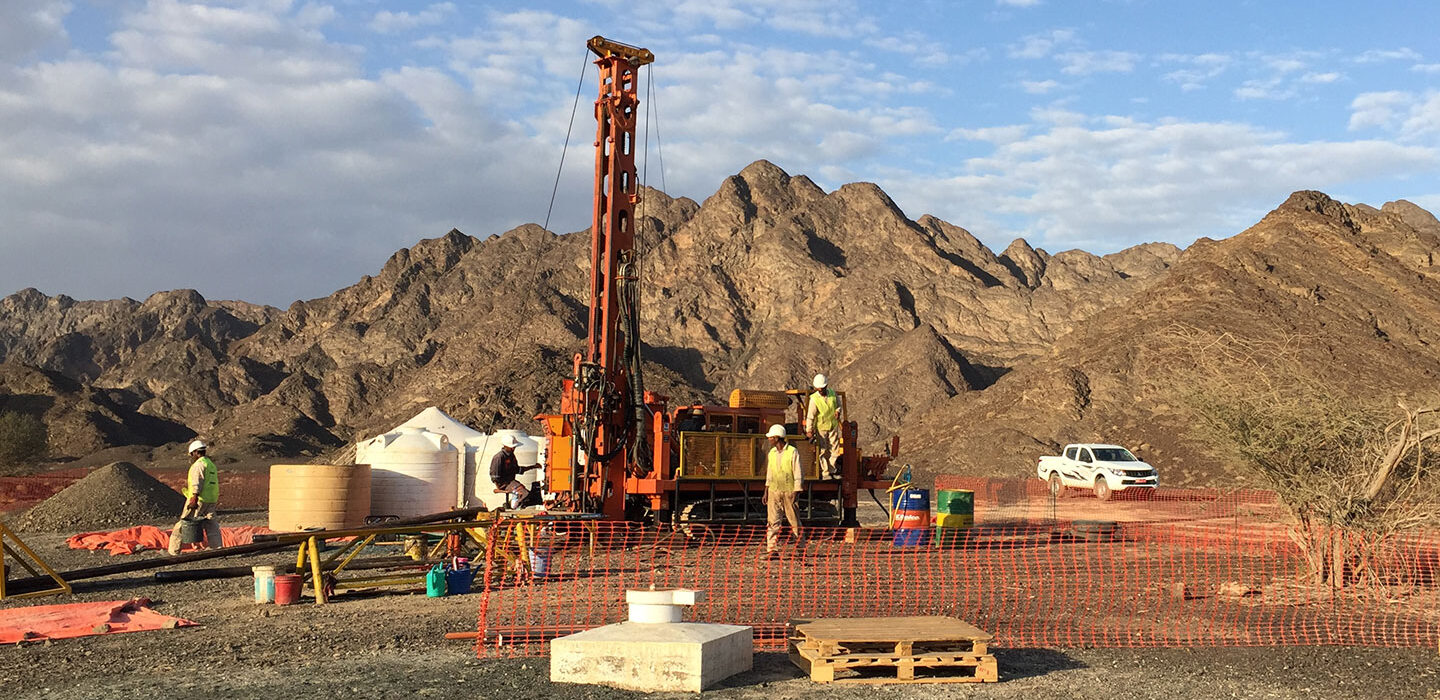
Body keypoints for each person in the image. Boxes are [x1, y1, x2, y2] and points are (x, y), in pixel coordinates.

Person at [168, 439, 224, 555]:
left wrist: (194, 497)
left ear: (195, 452)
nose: (191, 457)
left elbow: (197, 482)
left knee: (183, 524)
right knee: (212, 525)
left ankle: (173, 552)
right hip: (211, 500)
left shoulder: (198, 466)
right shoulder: (211, 465)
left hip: (199, 500)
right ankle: (218, 550)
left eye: (191, 454)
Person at [763, 424, 804, 558]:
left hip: (789, 492)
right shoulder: (772, 453)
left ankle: (800, 549)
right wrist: (766, 491)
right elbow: (770, 474)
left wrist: (796, 490)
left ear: (777, 437)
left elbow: (798, 472)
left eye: (770, 437)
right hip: (774, 492)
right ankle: (771, 550)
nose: (769, 439)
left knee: (794, 521)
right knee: (773, 521)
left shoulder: (792, 452)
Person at [805, 373, 842, 480]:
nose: (820, 390)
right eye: (818, 389)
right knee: (822, 450)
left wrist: (838, 411)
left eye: (822, 388)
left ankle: (832, 470)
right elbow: (810, 416)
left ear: (826, 386)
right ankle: (825, 472)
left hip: (833, 426)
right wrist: (809, 430)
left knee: (834, 449)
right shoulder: (814, 399)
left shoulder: (832, 394)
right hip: (821, 428)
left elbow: (839, 406)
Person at [490, 434, 534, 509]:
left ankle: (514, 505)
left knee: (527, 494)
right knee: (523, 493)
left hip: (510, 481)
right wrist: (499, 487)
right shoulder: (499, 457)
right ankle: (513, 507)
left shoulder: (511, 456)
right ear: (505, 446)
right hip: (504, 483)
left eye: (514, 447)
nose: (513, 448)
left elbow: (517, 469)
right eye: (512, 447)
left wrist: (532, 467)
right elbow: (494, 475)